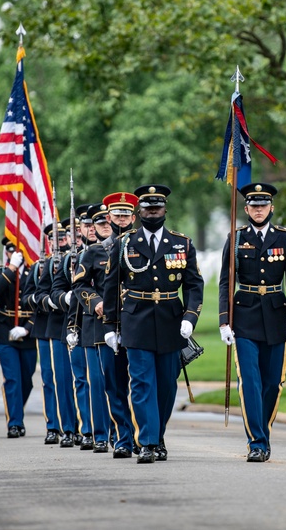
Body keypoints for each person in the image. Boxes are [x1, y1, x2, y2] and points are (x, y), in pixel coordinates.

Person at [101, 184, 203, 463]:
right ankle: (146, 442)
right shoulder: (124, 244)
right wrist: (110, 326)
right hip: (136, 320)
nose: (152, 211)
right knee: (142, 382)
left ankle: (158, 436)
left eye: (157, 207)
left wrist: (190, 317)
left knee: (167, 385)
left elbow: (194, 284)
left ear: (165, 210)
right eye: (147, 207)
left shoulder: (182, 244)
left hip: (171, 321)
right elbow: (111, 287)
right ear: (139, 211)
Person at [218, 182, 286, 463]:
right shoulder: (236, 237)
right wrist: (224, 321)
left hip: (277, 316)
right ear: (245, 208)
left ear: (271, 208)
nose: (258, 210)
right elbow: (225, 282)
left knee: (272, 384)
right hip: (245, 316)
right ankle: (257, 442)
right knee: (250, 381)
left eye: (263, 205)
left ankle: (262, 433)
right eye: (253, 206)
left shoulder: (285, 239)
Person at [73, 196, 137, 458]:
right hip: (103, 326)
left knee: (141, 383)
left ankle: (143, 435)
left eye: (125, 216)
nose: (119, 221)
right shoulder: (93, 252)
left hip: (136, 323)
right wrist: (96, 302)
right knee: (110, 384)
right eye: (115, 216)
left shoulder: (139, 245)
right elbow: (80, 285)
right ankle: (117, 435)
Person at [25, 220, 78, 447]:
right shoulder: (41, 266)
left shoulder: (79, 259)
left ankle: (79, 426)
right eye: (55, 238)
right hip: (51, 326)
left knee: (78, 380)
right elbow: (29, 296)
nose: (60, 241)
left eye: (64, 236)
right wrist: (46, 301)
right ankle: (54, 425)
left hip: (75, 324)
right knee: (52, 379)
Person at [53, 203, 97, 449]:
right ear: (78, 229)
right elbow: (56, 290)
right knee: (81, 379)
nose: (90, 229)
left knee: (102, 380)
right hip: (76, 325)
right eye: (86, 225)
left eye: (94, 224)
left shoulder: (106, 252)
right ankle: (87, 429)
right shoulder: (72, 258)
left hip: (99, 324)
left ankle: (105, 428)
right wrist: (68, 297)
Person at [0, 237, 37, 438]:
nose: (13, 254)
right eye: (10, 251)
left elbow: (41, 300)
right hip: (6, 331)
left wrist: (27, 328)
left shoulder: (35, 271)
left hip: (28, 332)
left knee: (27, 381)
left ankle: (17, 411)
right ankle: (14, 422)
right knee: (13, 379)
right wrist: (12, 269)